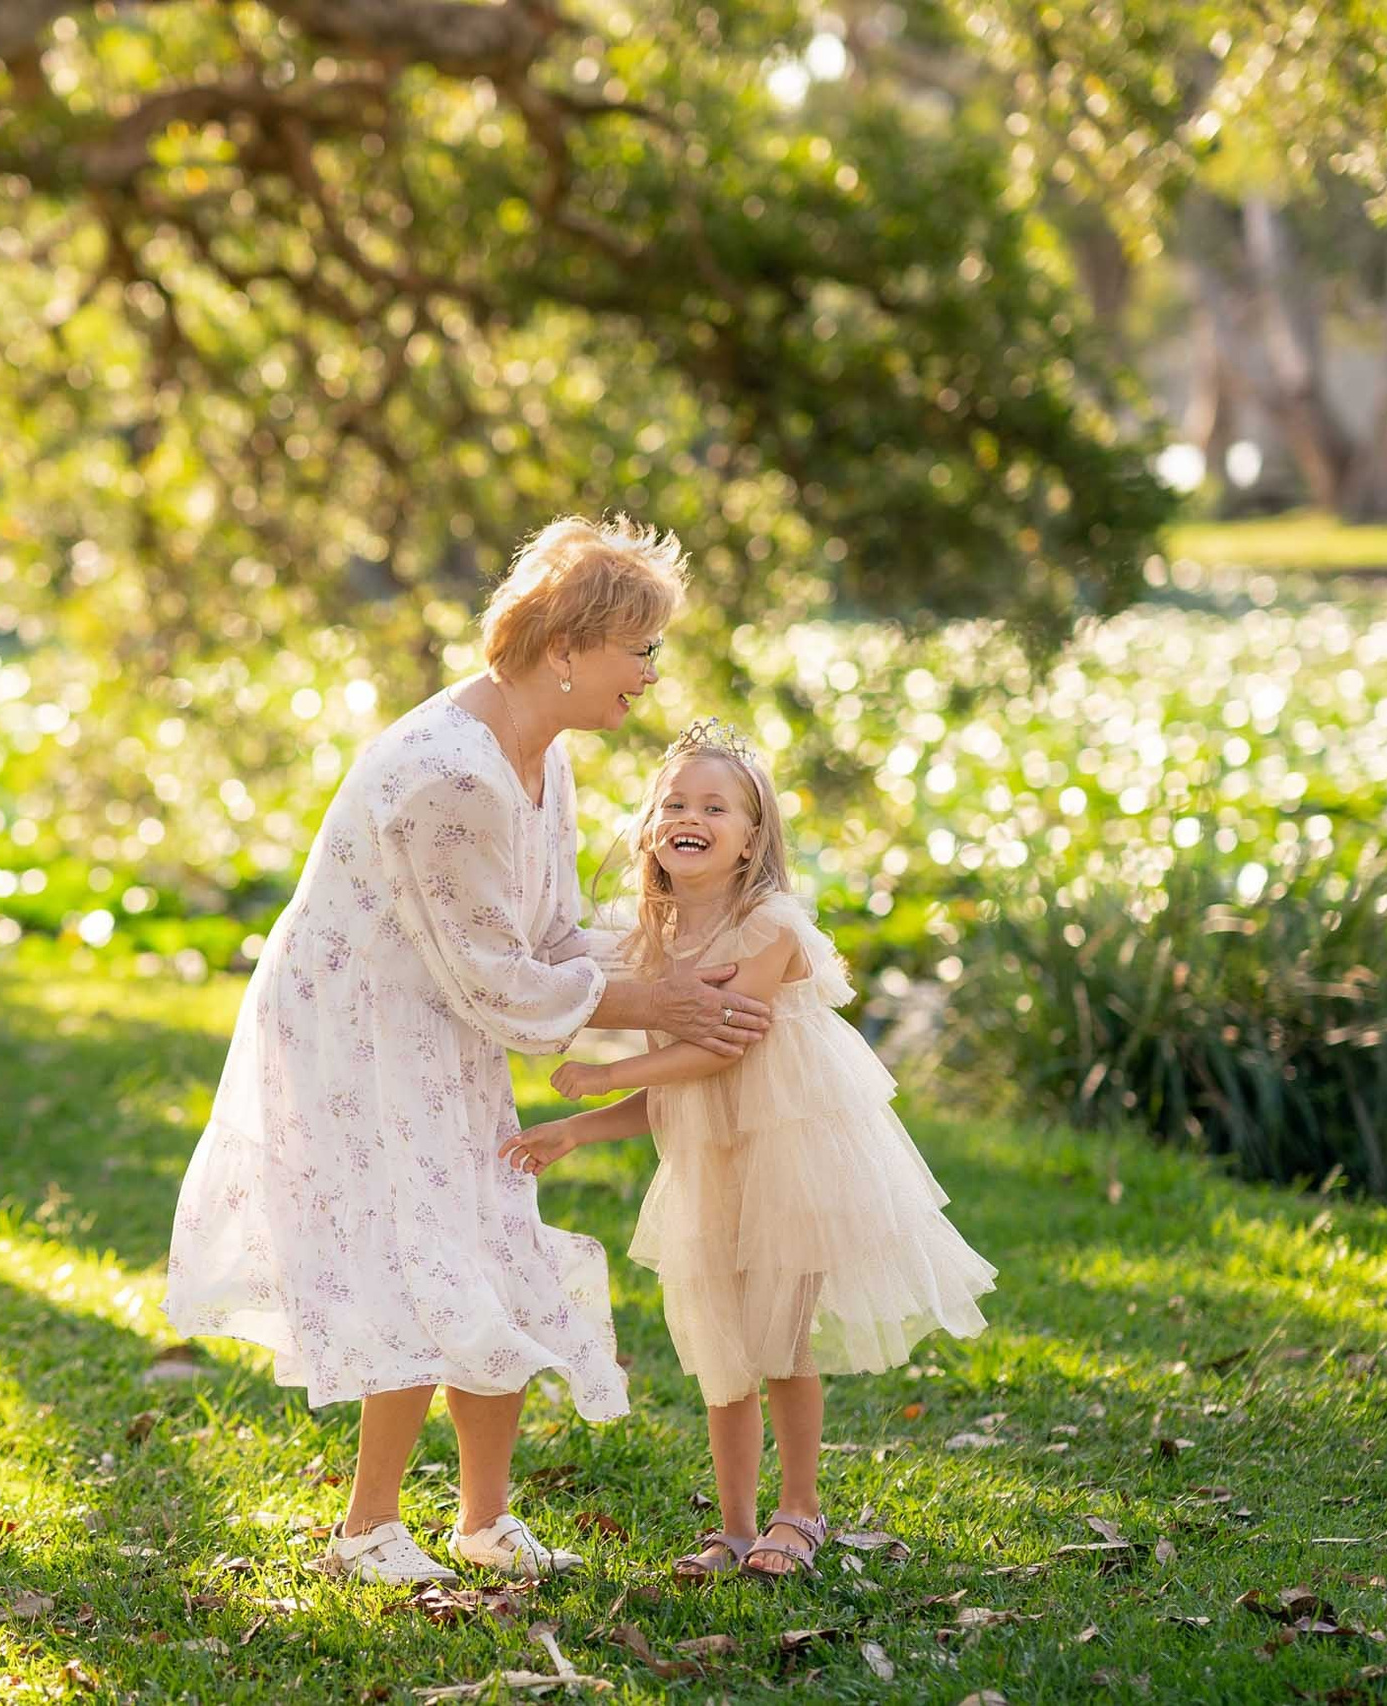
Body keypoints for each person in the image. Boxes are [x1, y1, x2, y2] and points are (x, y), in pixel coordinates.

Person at [164, 518, 774, 1584]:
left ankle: (483, 1521)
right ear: (564, 651)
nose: (649, 673)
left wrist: (695, 955)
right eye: (638, 647)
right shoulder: (451, 775)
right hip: (359, 1037)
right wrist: (655, 1001)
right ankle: (365, 1529)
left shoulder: (539, 754)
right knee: (421, 1254)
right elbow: (498, 978)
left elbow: (539, 936)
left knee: (495, 1237)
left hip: (440, 1022)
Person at [502, 717, 994, 1582]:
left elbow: (723, 1045)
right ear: (653, 831)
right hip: (708, 1169)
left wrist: (605, 1073)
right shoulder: (652, 942)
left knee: (781, 1345)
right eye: (674, 803)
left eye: (715, 806)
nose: (690, 815)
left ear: (750, 838)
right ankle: (732, 1526)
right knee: (720, 1350)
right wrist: (578, 1129)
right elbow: (675, 1096)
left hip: (791, 1161)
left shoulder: (771, 925)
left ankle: (798, 1510)